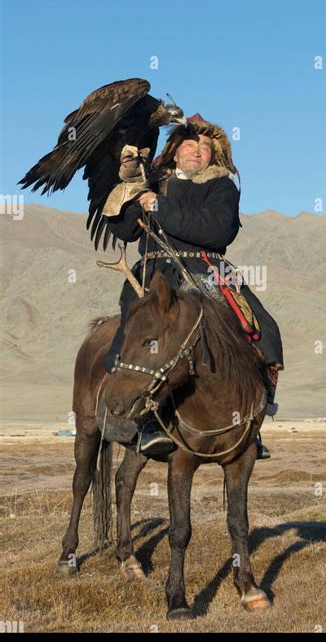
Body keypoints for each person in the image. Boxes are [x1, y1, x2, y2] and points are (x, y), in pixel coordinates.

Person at [103, 114, 284, 457]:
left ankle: (252, 419)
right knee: (132, 339)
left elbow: (214, 231)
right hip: (155, 271)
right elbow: (126, 232)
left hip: (207, 267)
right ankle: (140, 424)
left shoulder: (221, 186)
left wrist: (157, 204)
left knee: (265, 330)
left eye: (205, 147)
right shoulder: (154, 181)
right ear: (174, 150)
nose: (197, 151)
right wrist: (127, 188)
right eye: (190, 144)